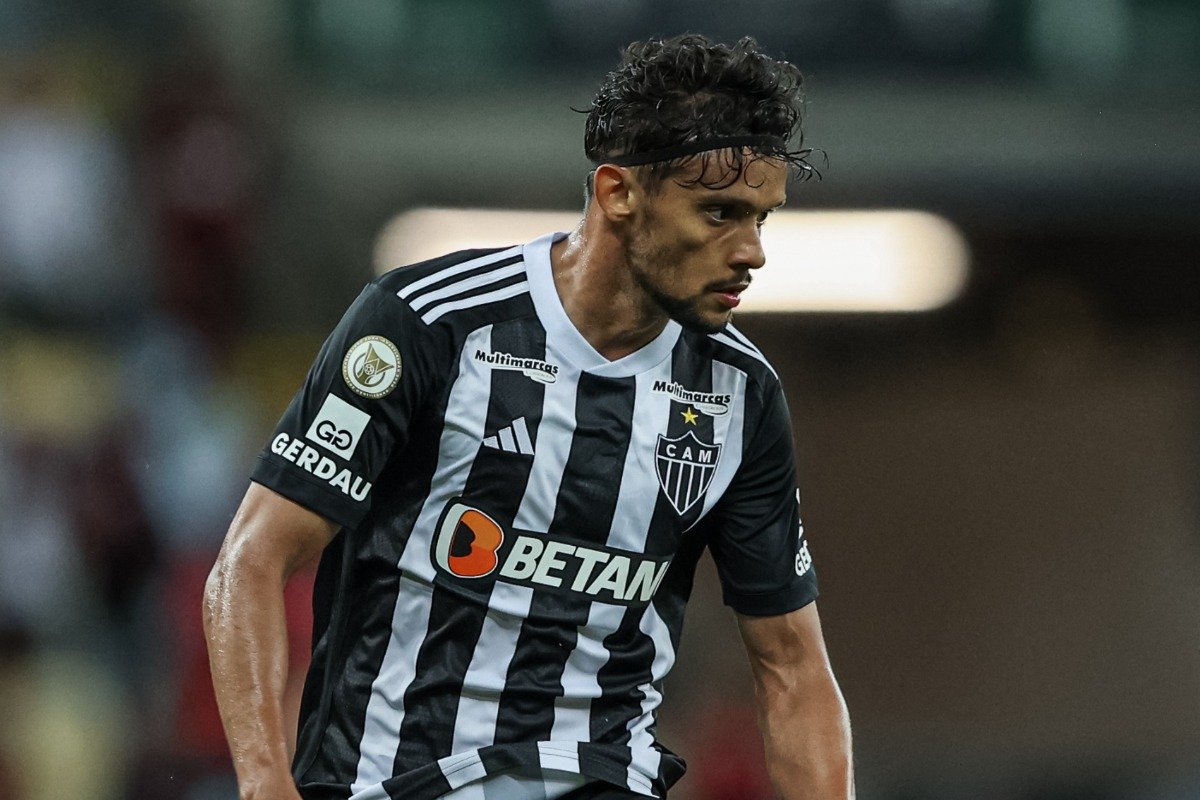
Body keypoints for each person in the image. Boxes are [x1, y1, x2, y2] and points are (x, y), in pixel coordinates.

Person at [203, 33, 854, 800]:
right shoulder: (428, 324)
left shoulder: (740, 392)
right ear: (618, 192)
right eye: (719, 213)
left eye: (761, 219)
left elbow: (791, 666)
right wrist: (264, 783)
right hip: (392, 779)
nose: (752, 252)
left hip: (601, 778)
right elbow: (251, 561)